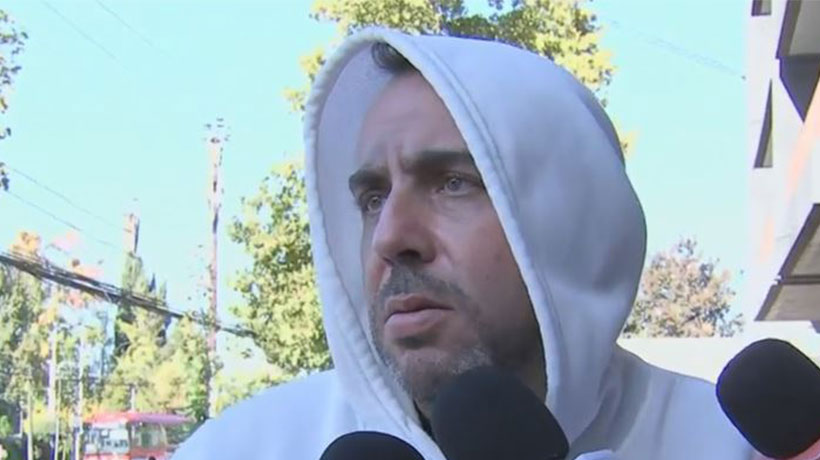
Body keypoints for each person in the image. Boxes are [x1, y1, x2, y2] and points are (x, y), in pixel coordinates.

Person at [173, 28, 753, 459]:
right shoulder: (244, 447)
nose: (391, 237)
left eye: (452, 183)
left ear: (569, 221)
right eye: (373, 198)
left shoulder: (731, 446)